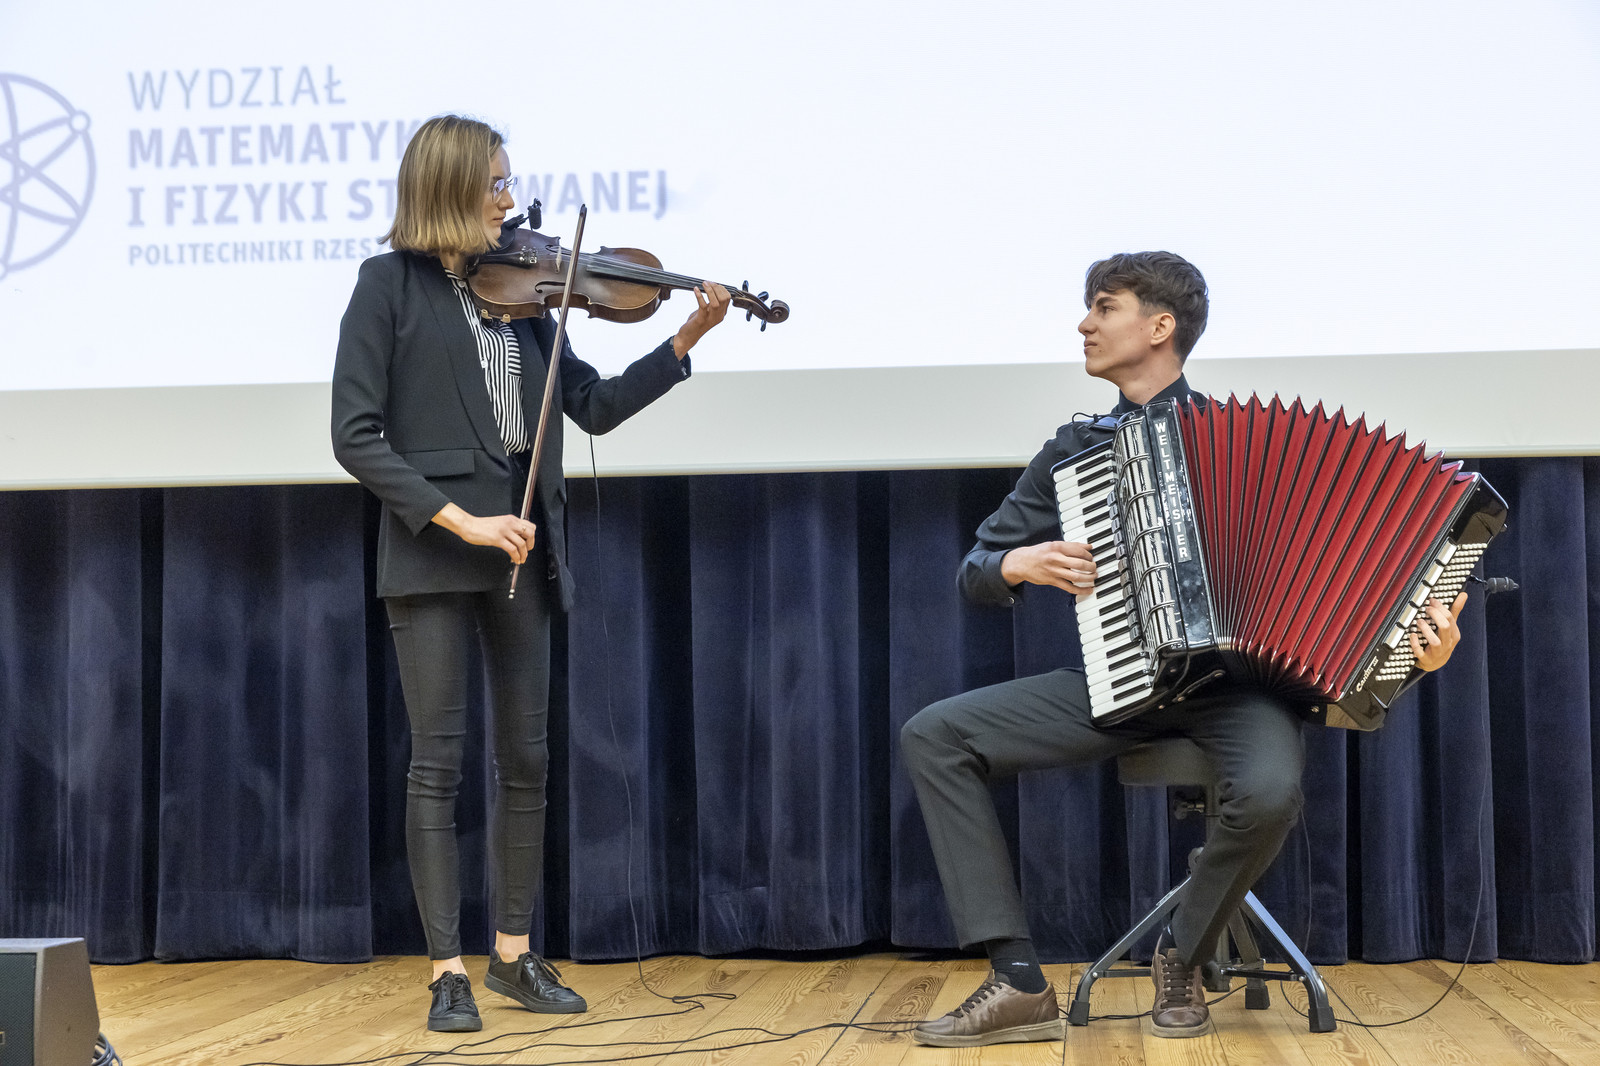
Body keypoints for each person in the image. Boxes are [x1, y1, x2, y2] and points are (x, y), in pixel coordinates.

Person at [899, 251, 1466, 1047]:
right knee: (935, 734)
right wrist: (1017, 563)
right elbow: (976, 569)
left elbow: (1362, 577)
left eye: (1104, 307)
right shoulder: (1076, 450)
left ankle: (1183, 950)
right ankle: (1018, 982)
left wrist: (1417, 654)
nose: (1084, 324)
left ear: (1160, 326)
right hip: (1121, 680)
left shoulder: (1260, 444)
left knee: (1269, 793)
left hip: (1241, 692)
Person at [331, 114, 730, 1033]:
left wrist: (684, 339)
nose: (511, 202)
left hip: (523, 545)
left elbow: (591, 407)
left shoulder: (525, 297)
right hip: (437, 549)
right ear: (449, 187)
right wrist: (460, 517)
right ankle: (447, 973)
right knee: (437, 765)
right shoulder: (386, 286)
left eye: (509, 184)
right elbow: (354, 435)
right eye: (497, 185)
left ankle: (513, 955)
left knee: (527, 760)